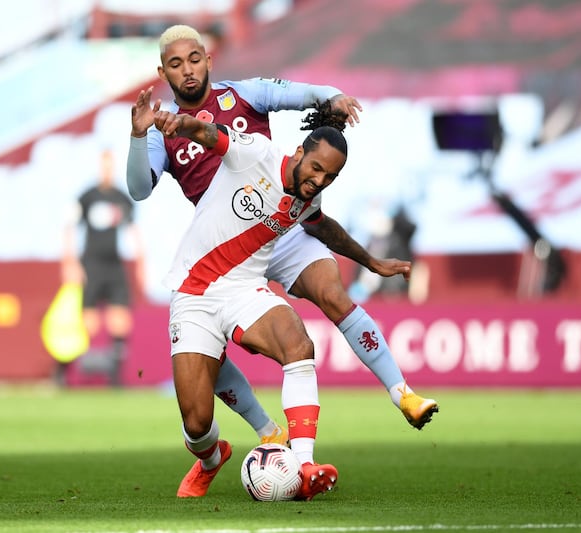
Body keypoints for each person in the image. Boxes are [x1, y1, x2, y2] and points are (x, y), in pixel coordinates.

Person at [127, 24, 438, 431]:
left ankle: (403, 394)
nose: (187, 70)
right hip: (229, 249)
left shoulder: (243, 94)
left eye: (194, 59)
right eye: (175, 64)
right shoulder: (159, 129)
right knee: (209, 342)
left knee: (332, 294)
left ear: (208, 60)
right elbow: (138, 188)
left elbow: (296, 93)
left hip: (283, 227)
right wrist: (137, 134)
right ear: (163, 72)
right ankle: (266, 432)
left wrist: (332, 96)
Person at [152, 101, 355, 499]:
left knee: (299, 345)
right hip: (194, 292)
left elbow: (326, 230)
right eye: (316, 168)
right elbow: (210, 135)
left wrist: (373, 261)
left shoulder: (307, 200)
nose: (318, 180)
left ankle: (303, 465)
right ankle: (212, 458)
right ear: (300, 152)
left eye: (329, 177)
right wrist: (175, 123)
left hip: (245, 288)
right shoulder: (258, 153)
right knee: (196, 424)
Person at [59, 148, 143, 387]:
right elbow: (69, 227)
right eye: (103, 165)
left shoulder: (120, 198)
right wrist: (70, 262)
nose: (107, 170)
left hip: (114, 264)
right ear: (99, 167)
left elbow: (133, 231)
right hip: (91, 264)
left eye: (110, 165)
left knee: (120, 320)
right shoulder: (87, 197)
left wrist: (140, 263)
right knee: (88, 323)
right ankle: (65, 372)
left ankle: (115, 377)